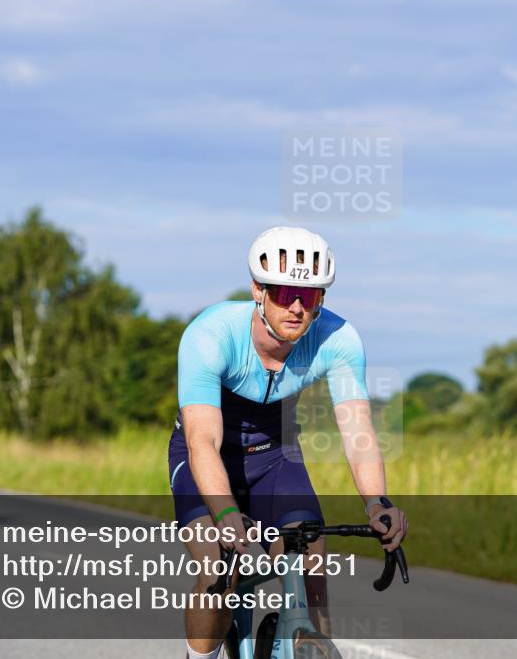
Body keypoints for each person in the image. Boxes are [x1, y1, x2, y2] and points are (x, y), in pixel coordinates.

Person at [169, 226, 408, 659]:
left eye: (311, 296)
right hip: (205, 454)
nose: (297, 307)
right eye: (284, 293)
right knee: (218, 573)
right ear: (258, 291)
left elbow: (357, 431)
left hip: (276, 457)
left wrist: (377, 503)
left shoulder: (338, 340)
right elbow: (202, 440)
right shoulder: (211, 334)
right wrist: (224, 512)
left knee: (311, 571)